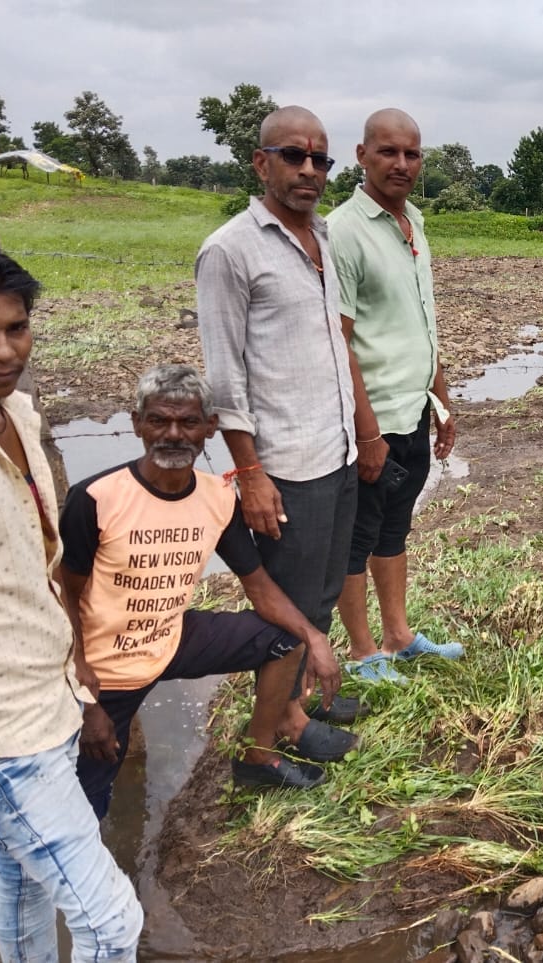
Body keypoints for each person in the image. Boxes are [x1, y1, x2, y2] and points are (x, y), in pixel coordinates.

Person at [0, 240, 143, 961]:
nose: (4, 350)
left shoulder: (16, 412)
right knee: (113, 923)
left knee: (24, 883)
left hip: (47, 698)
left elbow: (43, 566)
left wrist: (82, 686)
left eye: (17, 328)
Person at [63, 366, 359, 818]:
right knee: (85, 805)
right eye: (159, 421)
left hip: (170, 638)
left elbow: (257, 585)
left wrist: (314, 637)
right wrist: (84, 694)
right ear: (137, 423)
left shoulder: (217, 496)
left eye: (188, 422)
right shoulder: (95, 498)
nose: (173, 434)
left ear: (210, 427)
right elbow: (63, 597)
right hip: (107, 671)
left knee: (286, 639)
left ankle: (257, 756)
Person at [198, 106, 364, 720]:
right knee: (289, 598)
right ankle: (280, 723)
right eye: (294, 156)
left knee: (322, 590)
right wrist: (251, 474)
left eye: (320, 159)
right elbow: (224, 376)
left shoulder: (322, 237)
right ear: (261, 163)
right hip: (286, 464)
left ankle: (301, 698)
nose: (309, 170)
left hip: (337, 451)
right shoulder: (230, 250)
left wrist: (361, 437)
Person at [326, 108, 460, 682]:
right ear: (362, 156)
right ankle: (362, 653)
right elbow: (340, 340)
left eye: (411, 154)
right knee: (357, 538)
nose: (401, 164)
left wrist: (442, 404)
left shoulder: (414, 223)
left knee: (394, 527)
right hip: (373, 419)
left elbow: (422, 323)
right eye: (388, 152)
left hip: (413, 410)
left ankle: (398, 636)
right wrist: (367, 433)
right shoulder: (343, 231)